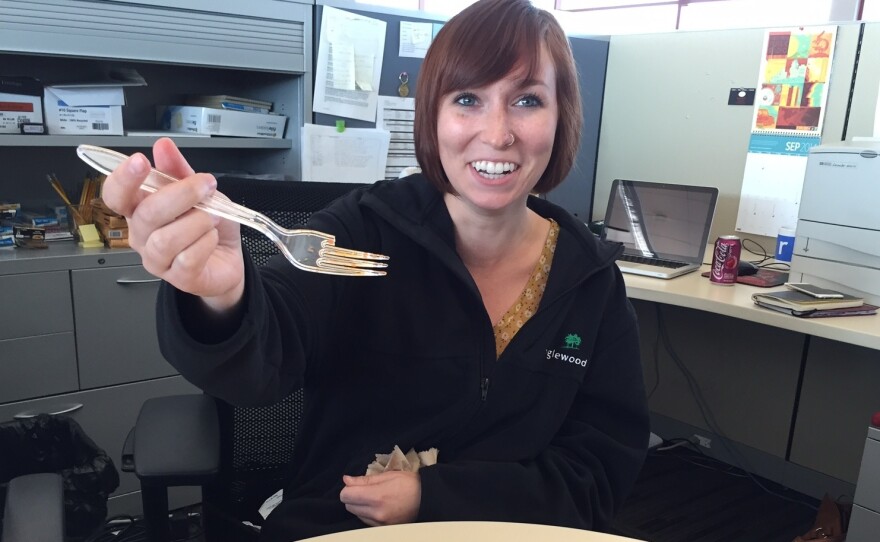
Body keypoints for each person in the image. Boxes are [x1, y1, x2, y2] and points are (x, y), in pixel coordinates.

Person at [101, 0, 650, 539]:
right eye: (467, 99)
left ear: (563, 116)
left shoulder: (590, 282)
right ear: (432, 116)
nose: (498, 132)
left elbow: (596, 478)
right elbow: (265, 358)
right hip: (340, 523)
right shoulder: (362, 230)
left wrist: (432, 498)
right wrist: (223, 298)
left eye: (528, 100)